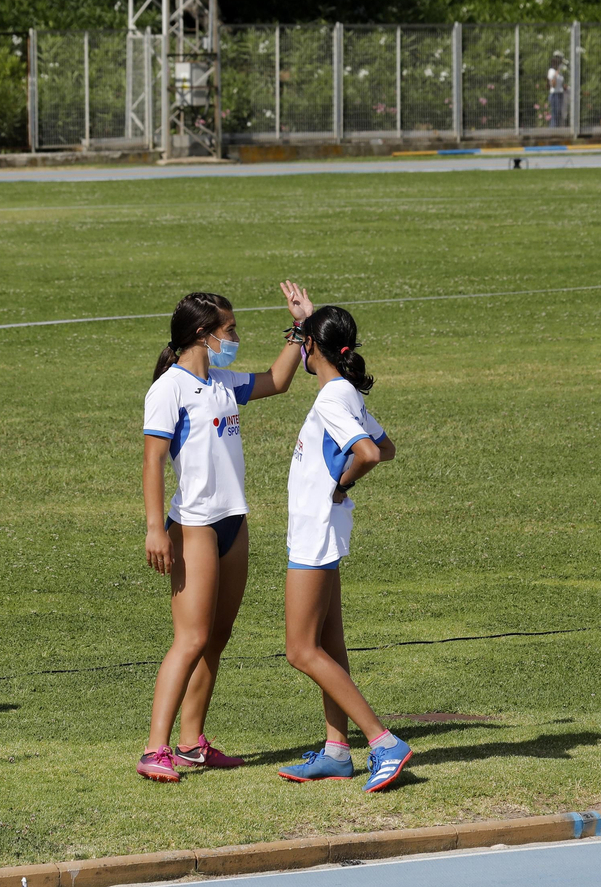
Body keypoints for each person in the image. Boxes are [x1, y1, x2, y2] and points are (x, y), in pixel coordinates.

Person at [137, 282, 315, 782]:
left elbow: (278, 381)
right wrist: (155, 529)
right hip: (192, 528)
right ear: (203, 333)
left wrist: (301, 328)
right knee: (189, 639)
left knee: (216, 637)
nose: (234, 337)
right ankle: (155, 749)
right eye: (229, 330)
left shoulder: (222, 381)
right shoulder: (167, 389)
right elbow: (152, 463)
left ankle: (191, 743)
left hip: (234, 525)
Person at [272, 306, 407, 793]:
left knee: (299, 649)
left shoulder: (332, 397)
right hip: (325, 530)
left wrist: (339, 484)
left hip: (314, 532)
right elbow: (386, 445)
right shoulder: (347, 392)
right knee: (329, 645)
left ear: (309, 347)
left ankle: (383, 741)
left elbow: (370, 453)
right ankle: (336, 751)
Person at [547, 53, 566, 129]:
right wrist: (555, 74)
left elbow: (561, 83)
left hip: (560, 93)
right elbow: (553, 85)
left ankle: (557, 128)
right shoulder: (551, 71)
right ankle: (552, 129)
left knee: (559, 113)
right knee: (555, 112)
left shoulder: (560, 72)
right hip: (554, 94)